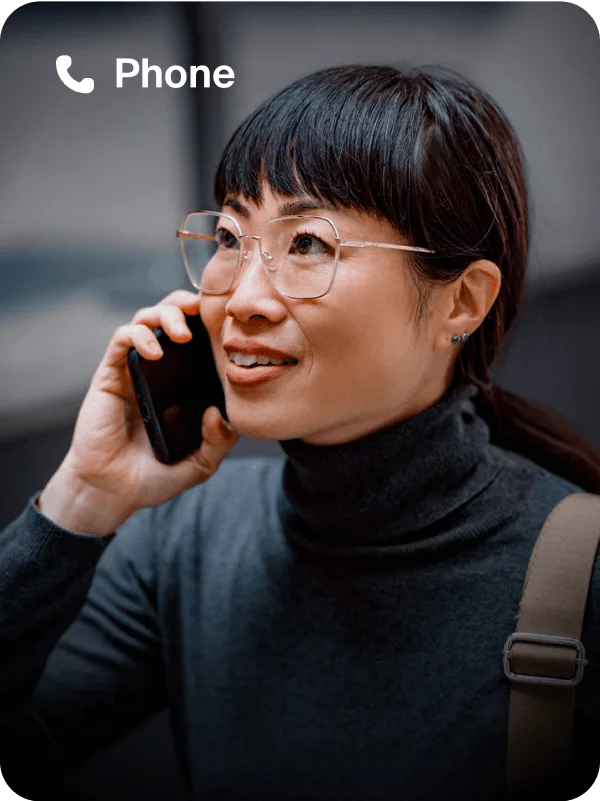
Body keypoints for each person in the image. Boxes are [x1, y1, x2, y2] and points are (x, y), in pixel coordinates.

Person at [1, 63, 600, 801]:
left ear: (462, 302)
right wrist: (81, 498)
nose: (241, 299)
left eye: (309, 244)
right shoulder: (186, 540)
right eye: (230, 236)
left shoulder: (583, 579)